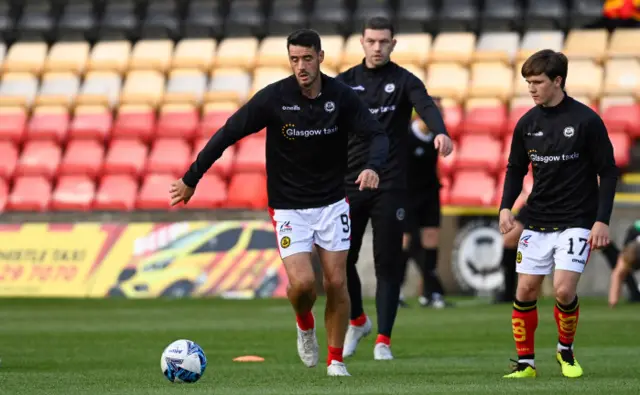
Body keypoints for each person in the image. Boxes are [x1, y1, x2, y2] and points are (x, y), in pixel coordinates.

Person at [169, 29, 389, 377]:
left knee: (335, 282)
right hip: (288, 207)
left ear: (320, 57)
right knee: (302, 285)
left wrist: (373, 167)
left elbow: (377, 133)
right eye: (294, 59)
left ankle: (336, 361)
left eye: (306, 58)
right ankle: (304, 324)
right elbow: (228, 132)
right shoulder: (274, 98)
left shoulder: (341, 97)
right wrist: (190, 178)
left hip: (332, 203)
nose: (300, 66)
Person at [336, 17, 452, 360]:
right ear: (361, 42)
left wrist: (440, 130)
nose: (377, 47)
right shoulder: (344, 84)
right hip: (350, 183)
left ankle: (383, 340)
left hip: (390, 185)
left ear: (393, 44)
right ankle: (358, 320)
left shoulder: (403, 81)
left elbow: (426, 104)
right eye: (371, 41)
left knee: (388, 263)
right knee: (342, 261)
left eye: (383, 42)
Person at [499, 49, 618, 379]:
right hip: (537, 218)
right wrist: (506, 208)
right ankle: (526, 364)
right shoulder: (527, 123)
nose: (531, 88)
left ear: (558, 80)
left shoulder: (586, 121)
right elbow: (515, 169)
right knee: (525, 291)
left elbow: (608, 171)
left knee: (564, 291)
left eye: (537, 82)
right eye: (527, 82)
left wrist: (601, 219)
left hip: (577, 219)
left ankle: (565, 350)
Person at [496, 202, 640, 305]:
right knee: (510, 238)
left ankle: (633, 292)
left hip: (575, 202)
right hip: (544, 203)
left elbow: (605, 172)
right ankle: (509, 292)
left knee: (603, 242)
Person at [398, 102, 453, 309]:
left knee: (430, 242)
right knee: (406, 242)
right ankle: (398, 291)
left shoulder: (437, 138)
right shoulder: (405, 135)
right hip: (406, 195)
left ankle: (428, 294)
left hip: (430, 194)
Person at [609, 221, 640, 307]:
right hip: (632, 247)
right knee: (618, 272)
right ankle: (613, 301)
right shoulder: (634, 230)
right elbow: (617, 274)